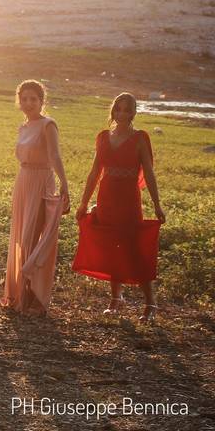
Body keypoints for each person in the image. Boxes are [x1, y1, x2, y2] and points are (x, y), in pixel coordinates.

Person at [73, 92, 165, 322]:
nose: (122, 114)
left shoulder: (140, 138)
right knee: (111, 246)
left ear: (133, 113)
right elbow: (95, 172)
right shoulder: (103, 137)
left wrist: (157, 205)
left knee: (133, 247)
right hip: (107, 197)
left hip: (129, 199)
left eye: (127, 110)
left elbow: (150, 175)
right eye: (119, 109)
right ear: (113, 111)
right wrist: (84, 202)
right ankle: (116, 299)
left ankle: (150, 303)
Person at [1, 80, 70, 315]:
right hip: (23, 180)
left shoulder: (48, 125)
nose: (28, 103)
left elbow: (55, 156)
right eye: (24, 99)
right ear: (18, 101)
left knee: (34, 239)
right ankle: (20, 293)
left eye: (33, 99)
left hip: (42, 180)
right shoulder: (23, 127)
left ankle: (36, 299)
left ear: (42, 101)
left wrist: (65, 184)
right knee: (21, 237)